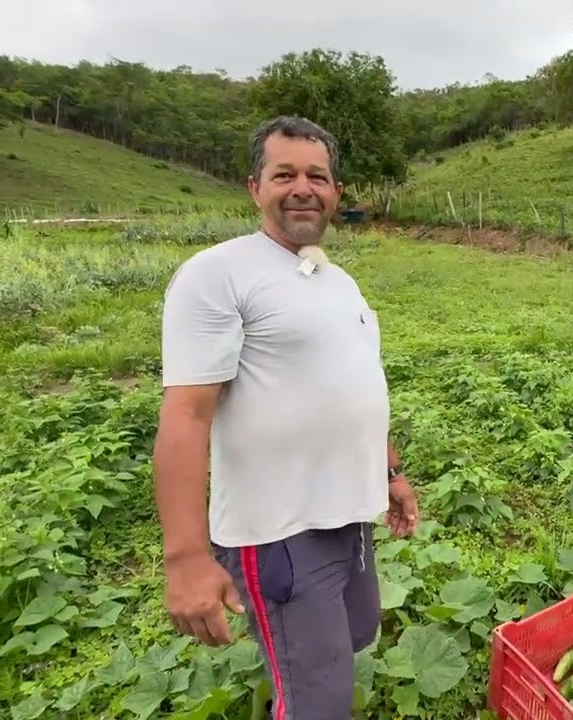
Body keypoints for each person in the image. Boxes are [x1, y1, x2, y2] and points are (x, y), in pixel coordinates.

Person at [152, 115, 420, 720]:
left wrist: (389, 473)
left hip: (349, 515)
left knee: (355, 635)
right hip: (280, 532)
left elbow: (351, 385)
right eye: (285, 175)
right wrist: (186, 559)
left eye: (317, 177)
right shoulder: (217, 274)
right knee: (318, 701)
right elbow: (186, 417)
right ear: (255, 188)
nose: (303, 188)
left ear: (336, 193)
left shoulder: (338, 281)